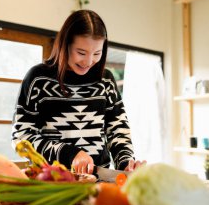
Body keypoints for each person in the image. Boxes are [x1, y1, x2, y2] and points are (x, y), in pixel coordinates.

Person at [11, 10, 143, 174]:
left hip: (98, 181)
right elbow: (21, 137)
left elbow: (117, 130)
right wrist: (70, 154)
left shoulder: (106, 81)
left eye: (97, 53)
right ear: (65, 44)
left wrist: (125, 162)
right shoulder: (38, 79)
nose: (89, 62)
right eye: (81, 53)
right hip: (50, 182)